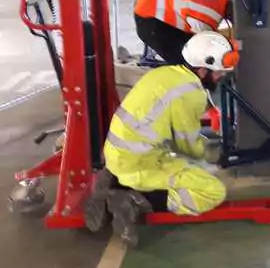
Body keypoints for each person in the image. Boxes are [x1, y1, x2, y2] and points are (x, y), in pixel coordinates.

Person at [84, 31, 239, 247]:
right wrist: (216, 152)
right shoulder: (191, 93)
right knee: (212, 190)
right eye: (219, 72)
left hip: (119, 154)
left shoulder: (166, 74)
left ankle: (115, 179)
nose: (222, 77)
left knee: (195, 169)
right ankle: (134, 199)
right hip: (139, 163)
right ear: (203, 69)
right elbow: (189, 147)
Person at [134, 0, 234, 64]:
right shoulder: (208, 15)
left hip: (149, 1)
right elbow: (205, 47)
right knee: (190, 61)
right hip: (150, 19)